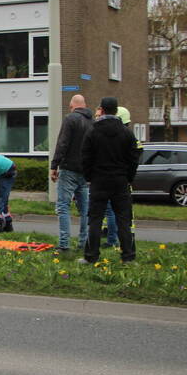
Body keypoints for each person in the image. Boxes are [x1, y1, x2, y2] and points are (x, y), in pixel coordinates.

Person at [80, 97, 141, 264]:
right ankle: (128, 256)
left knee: (95, 219)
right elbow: (134, 158)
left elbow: (85, 157)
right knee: (123, 219)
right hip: (120, 181)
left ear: (103, 110)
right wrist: (129, 177)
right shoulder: (126, 132)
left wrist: (90, 177)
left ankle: (91, 256)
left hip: (99, 181)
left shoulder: (92, 131)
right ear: (116, 111)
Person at [49, 94, 94, 252]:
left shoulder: (70, 119)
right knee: (84, 210)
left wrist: (54, 165)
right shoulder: (92, 122)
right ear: (85, 105)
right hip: (85, 171)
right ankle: (84, 243)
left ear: (72, 106)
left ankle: (64, 244)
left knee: (63, 206)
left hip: (69, 169)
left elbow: (63, 143)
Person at [101, 105, 135, 249]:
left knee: (112, 211)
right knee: (121, 212)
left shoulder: (116, 137)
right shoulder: (128, 136)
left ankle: (113, 239)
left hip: (111, 180)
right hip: (123, 181)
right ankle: (124, 242)